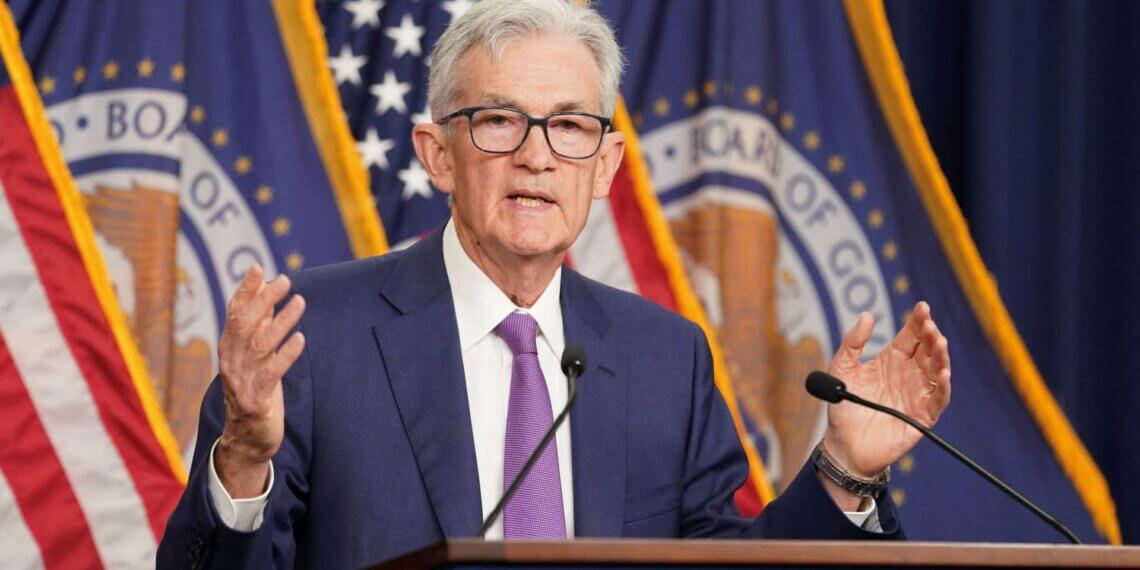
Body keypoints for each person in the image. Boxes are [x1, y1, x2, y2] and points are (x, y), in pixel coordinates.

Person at [158, 0, 951, 567]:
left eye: (571, 126)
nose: (538, 157)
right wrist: (241, 464)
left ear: (605, 166)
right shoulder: (312, 341)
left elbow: (727, 567)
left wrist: (845, 471)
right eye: (501, 121)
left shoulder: (665, 358)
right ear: (436, 154)